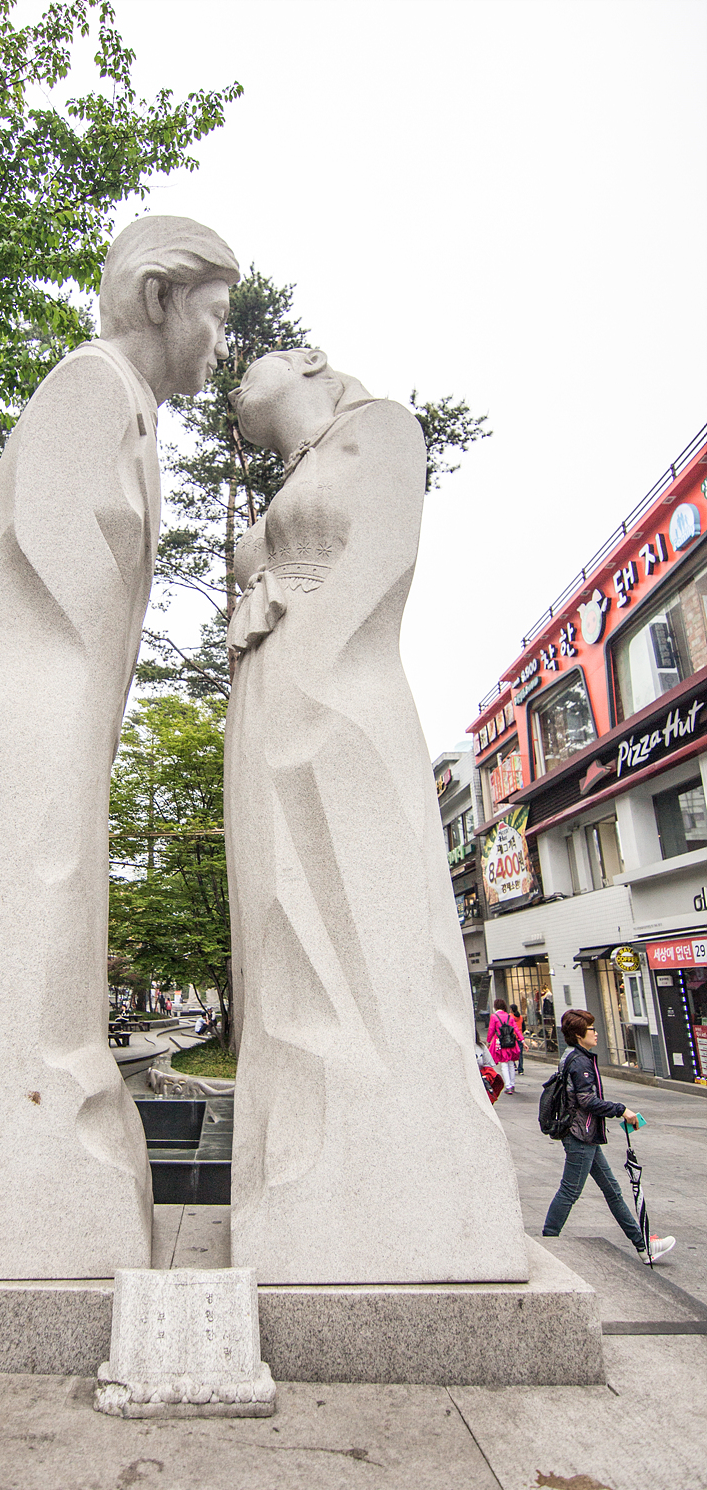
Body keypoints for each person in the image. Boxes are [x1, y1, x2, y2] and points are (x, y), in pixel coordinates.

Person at [0, 217, 240, 1282]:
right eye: (214, 316)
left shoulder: (128, 406)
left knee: (44, 925)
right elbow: (71, 574)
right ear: (159, 297)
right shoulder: (90, 386)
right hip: (27, 725)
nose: (222, 343)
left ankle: (24, 1141)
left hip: (55, 721)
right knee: (17, 920)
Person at [222, 348, 527, 1286]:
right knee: (282, 918)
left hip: (335, 693)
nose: (233, 380)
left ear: (308, 362)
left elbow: (383, 564)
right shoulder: (296, 473)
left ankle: (401, 1160)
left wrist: (307, 678)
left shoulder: (381, 429)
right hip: (267, 699)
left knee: (367, 911)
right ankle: (300, 1161)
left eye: (253, 365)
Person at [542, 1009, 675, 1262]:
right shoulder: (580, 1061)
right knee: (570, 1191)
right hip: (581, 1135)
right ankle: (547, 1241)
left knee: (612, 1191)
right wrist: (621, 1109)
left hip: (584, 1134)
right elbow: (586, 1100)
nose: (596, 1033)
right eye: (591, 1029)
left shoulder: (572, 1055)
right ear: (579, 1035)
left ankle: (643, 1246)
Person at [487, 1001, 520, 1095]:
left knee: (504, 1064)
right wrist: (522, 1040)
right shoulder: (509, 1016)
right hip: (511, 1042)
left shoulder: (494, 1016)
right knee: (511, 1064)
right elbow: (516, 1029)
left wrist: (488, 1041)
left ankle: (508, 1086)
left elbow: (491, 1030)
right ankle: (512, 1085)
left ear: (495, 1007)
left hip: (500, 1042)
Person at [509, 1003, 526, 1075]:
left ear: (511, 1009)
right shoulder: (521, 1017)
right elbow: (524, 1027)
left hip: (512, 1037)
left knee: (511, 1052)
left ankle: (513, 1065)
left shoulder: (510, 1016)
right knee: (520, 1054)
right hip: (520, 1037)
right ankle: (521, 1069)